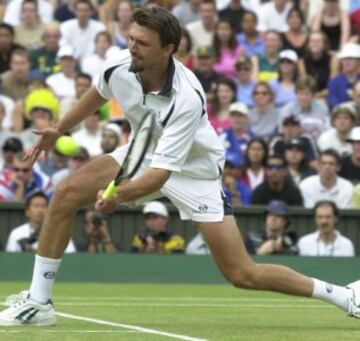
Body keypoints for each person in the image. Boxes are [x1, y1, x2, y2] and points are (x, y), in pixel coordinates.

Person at [1, 6, 360, 327]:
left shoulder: (187, 98)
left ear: (168, 49)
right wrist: (58, 129)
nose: (132, 47)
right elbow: (99, 92)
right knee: (65, 192)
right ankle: (39, 301)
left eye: (142, 42)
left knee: (242, 273)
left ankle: (345, 296)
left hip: (194, 172)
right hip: (143, 150)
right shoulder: (119, 65)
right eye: (131, 38)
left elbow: (161, 176)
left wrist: (119, 196)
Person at [5, 192, 76, 253]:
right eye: (36, 206)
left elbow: (72, 257)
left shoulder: (60, 233)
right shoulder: (17, 233)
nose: (40, 210)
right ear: (27, 211)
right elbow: (10, 259)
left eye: (43, 206)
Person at [328, 42, 360, 109]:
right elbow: (334, 105)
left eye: (350, 58)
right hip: (341, 117)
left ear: (358, 61)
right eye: (344, 59)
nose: (347, 62)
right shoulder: (334, 82)